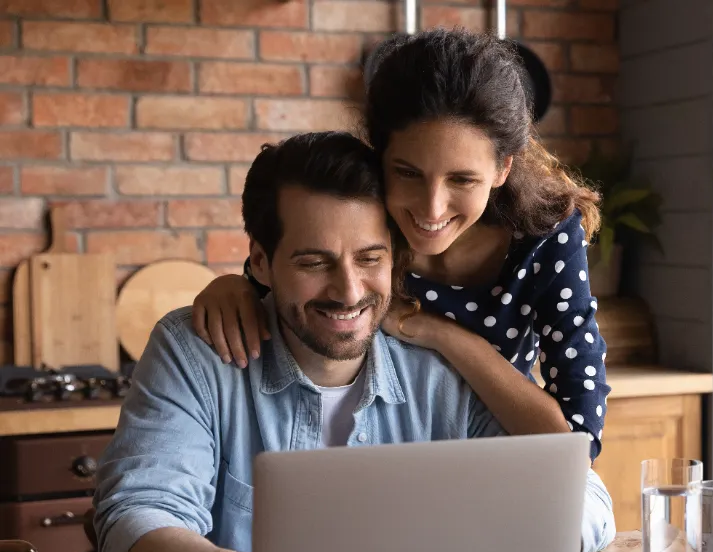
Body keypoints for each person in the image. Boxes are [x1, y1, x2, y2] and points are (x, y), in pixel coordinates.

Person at [92, 132, 615, 552]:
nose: (348, 291)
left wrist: (483, 548)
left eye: (369, 258)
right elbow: (134, 520)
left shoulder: (442, 371)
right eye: (313, 263)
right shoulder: (195, 352)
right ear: (259, 261)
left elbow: (585, 498)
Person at [189, 28, 611, 463]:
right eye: (407, 173)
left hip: (501, 464)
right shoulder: (367, 215)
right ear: (379, 157)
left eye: (462, 179)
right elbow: (274, 276)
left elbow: (577, 443)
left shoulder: (546, 236)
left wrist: (441, 335)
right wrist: (229, 286)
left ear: (503, 168)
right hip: (384, 457)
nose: (431, 208)